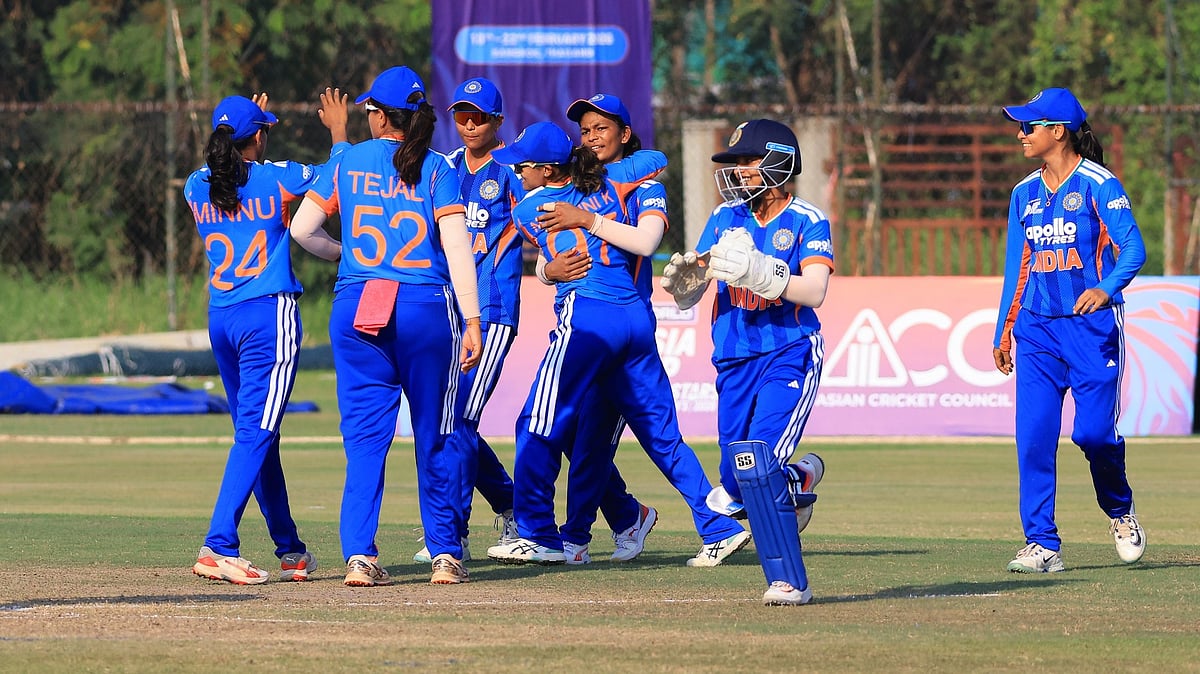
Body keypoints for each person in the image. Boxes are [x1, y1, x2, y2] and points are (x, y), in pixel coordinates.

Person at [485, 121, 750, 567]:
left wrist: (565, 244)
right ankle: (717, 526)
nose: (516, 174)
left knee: (537, 422)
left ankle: (537, 534)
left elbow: (566, 252)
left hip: (588, 318)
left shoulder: (530, 207)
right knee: (655, 438)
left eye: (522, 166)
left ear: (547, 170)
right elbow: (655, 159)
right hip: (634, 320)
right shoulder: (617, 181)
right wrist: (608, 180)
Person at [290, 66, 483, 587]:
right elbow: (457, 248)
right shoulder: (438, 166)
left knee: (364, 442)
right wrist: (472, 318)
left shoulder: (347, 160)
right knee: (435, 436)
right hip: (424, 307)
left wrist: (344, 253)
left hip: (359, 303)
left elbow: (302, 230)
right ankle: (445, 554)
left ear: (378, 116)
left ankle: (359, 556)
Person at [662, 118, 832, 606]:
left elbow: (815, 291)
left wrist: (764, 273)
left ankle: (787, 581)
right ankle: (796, 481)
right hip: (734, 358)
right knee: (735, 481)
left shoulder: (807, 219)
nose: (740, 170)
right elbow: (699, 281)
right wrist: (688, 284)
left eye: (749, 161)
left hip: (789, 351)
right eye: (736, 162)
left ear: (780, 161)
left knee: (756, 463)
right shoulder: (725, 216)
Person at [185, 89, 348, 584]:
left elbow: (229, 173)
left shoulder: (195, 184)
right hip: (267, 317)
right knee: (256, 433)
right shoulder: (276, 177)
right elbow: (337, 177)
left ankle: (289, 548)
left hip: (223, 318)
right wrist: (339, 133)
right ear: (257, 137)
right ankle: (219, 544)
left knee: (258, 434)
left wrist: (249, 125)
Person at [994, 87, 1147, 573]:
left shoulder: (1100, 184)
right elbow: (1017, 267)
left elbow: (1134, 249)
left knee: (1094, 435)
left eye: (1029, 126)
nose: (1021, 134)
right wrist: (1004, 331)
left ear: (1057, 131)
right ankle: (1041, 542)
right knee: (1034, 438)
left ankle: (1120, 510)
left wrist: (1106, 287)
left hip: (1091, 329)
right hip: (1037, 332)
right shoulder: (1023, 193)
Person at [410, 76, 543, 564]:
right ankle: (509, 503)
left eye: (479, 117)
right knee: (450, 419)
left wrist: (516, 245)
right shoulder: (445, 167)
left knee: (460, 419)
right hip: (452, 312)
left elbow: (534, 221)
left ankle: (454, 533)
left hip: (493, 311)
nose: (469, 124)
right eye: (462, 115)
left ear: (497, 121)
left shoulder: (510, 169)